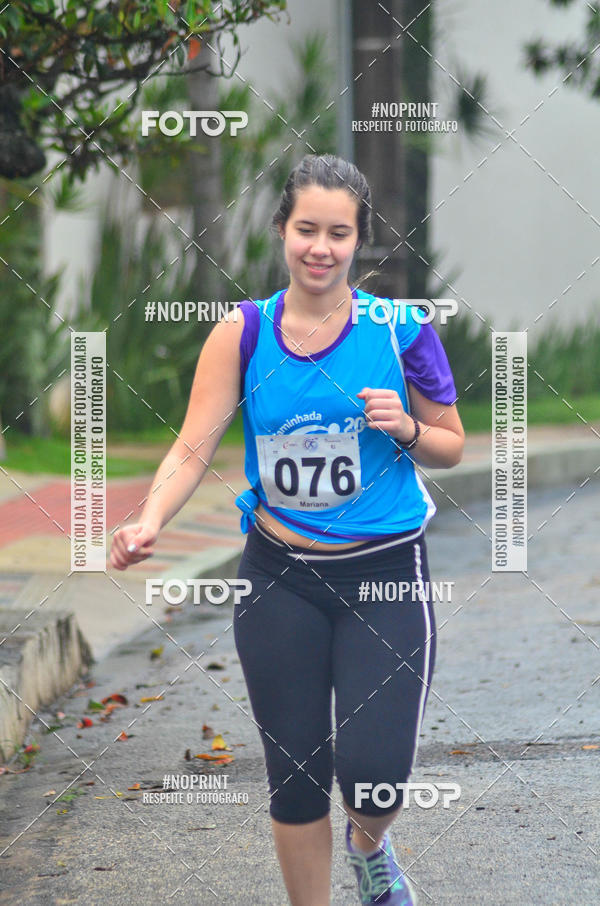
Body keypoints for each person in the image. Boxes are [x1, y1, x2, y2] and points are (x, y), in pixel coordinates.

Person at [110, 153, 464, 906]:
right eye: (307, 229)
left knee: (374, 775)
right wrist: (148, 520)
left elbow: (451, 443)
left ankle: (370, 849)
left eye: (339, 233)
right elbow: (192, 445)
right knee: (296, 773)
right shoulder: (241, 334)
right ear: (282, 230)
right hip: (280, 578)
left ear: (358, 241)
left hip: (384, 573)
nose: (321, 247)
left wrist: (404, 427)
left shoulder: (401, 331)